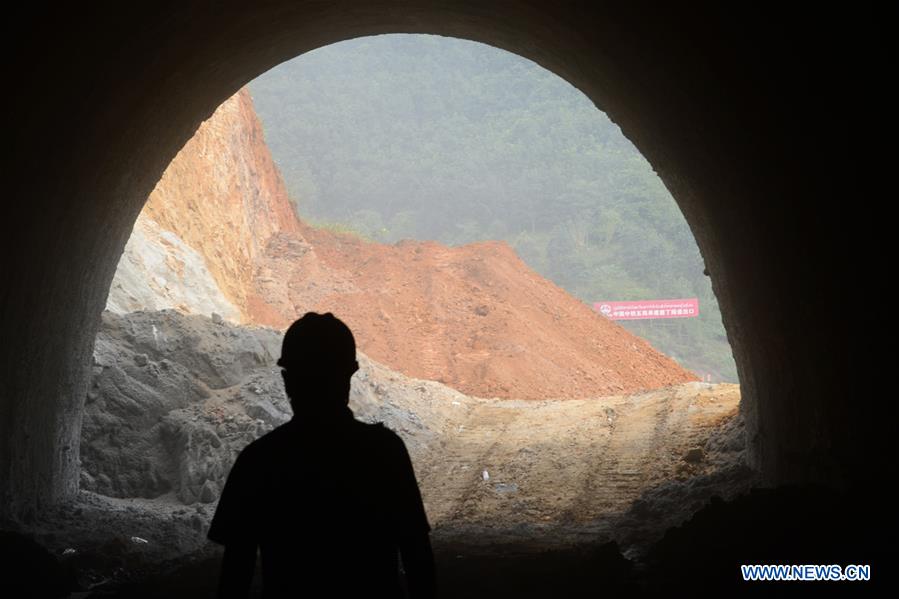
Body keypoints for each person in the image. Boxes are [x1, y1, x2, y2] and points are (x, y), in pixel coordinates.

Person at [208, 312, 436, 598]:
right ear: (349, 375)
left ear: (287, 380)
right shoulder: (385, 452)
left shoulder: (260, 460)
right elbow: (418, 559)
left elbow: (234, 575)